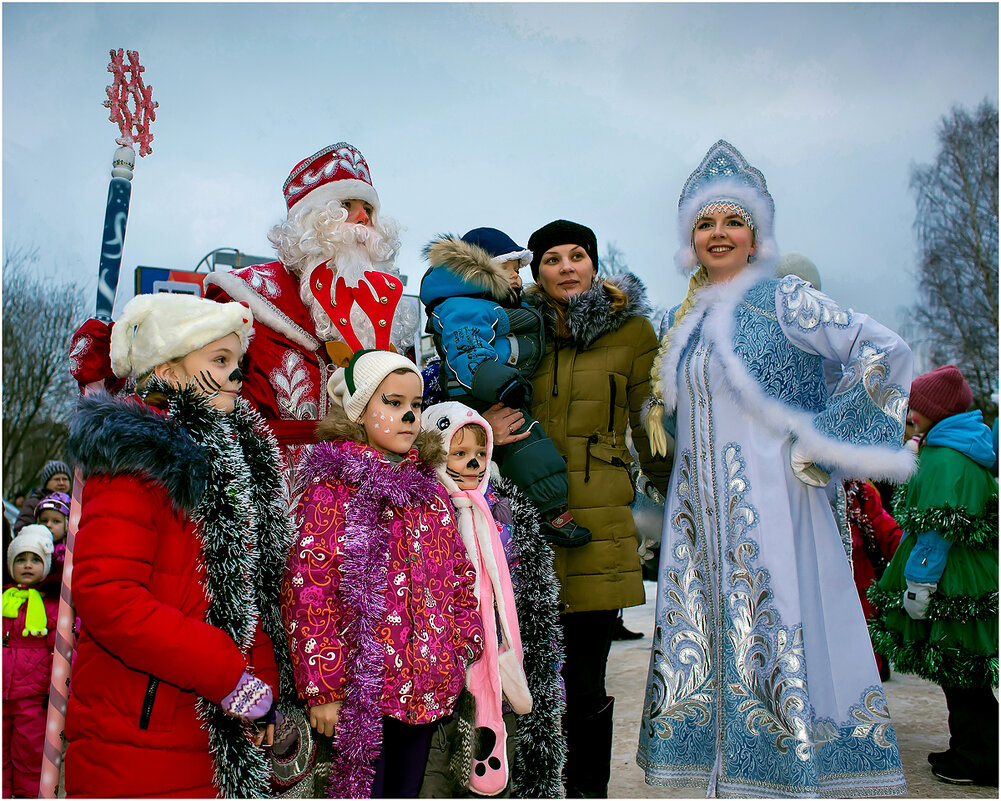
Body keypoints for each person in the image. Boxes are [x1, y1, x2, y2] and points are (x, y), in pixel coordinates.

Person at [638, 140, 912, 796]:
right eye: (704, 222)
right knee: (721, 647)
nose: (717, 233)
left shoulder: (785, 298)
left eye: (732, 220)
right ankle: (731, 778)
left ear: (756, 234)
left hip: (777, 515)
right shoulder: (696, 322)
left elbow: (885, 349)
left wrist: (825, 441)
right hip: (707, 524)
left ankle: (787, 778)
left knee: (781, 641)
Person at [70, 142, 414, 511]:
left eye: (369, 210)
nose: (363, 219)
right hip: (266, 503)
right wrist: (119, 353)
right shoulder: (244, 297)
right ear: (314, 222)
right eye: (347, 206)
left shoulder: (391, 318)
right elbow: (184, 373)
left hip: (369, 509)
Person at [62, 293, 294, 798]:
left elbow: (241, 595)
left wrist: (262, 686)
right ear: (167, 372)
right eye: (219, 361)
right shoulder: (138, 461)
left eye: (239, 363)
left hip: (206, 734)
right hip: (138, 742)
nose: (237, 377)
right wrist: (226, 673)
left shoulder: (229, 466)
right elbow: (109, 595)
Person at [495, 218, 669, 798]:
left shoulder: (633, 332)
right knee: (522, 675)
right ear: (537, 270)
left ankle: (587, 791)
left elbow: (654, 427)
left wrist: (676, 495)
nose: (566, 267)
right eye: (552, 259)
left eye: (577, 256)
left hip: (598, 523)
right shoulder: (513, 331)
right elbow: (473, 397)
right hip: (523, 521)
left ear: (593, 265)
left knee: (585, 680)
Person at [280, 350, 484, 798]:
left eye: (415, 404)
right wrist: (323, 687)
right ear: (359, 412)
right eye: (393, 403)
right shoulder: (333, 491)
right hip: (360, 692)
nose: (409, 414)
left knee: (406, 790)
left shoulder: (429, 492)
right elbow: (309, 591)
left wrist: (462, 646)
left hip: (427, 683)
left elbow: (457, 573)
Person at [419, 402, 566, 798]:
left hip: (500, 658)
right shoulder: (424, 514)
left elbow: (525, 591)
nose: (471, 464)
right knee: (440, 757)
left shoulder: (501, 512)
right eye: (459, 453)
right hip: (444, 664)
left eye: (480, 455)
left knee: (500, 745)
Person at [420, 227, 590, 546]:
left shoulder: (494, 305)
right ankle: (551, 513)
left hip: (499, 391)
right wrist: (500, 383)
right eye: (509, 268)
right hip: (481, 393)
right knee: (528, 445)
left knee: (527, 441)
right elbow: (469, 350)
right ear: (482, 272)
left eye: (517, 269)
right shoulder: (463, 307)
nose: (517, 277)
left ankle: (548, 513)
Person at [869, 364, 998, 787]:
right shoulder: (961, 448)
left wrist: (920, 585)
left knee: (961, 672)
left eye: (915, 409)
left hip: (949, 579)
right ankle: (971, 747)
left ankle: (977, 758)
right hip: (965, 573)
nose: (909, 415)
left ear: (936, 412)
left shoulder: (945, 458)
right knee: (962, 672)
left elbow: (936, 532)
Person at [3, 525, 57, 798]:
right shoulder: (4, 600)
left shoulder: (52, 607)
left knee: (29, 752)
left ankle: (26, 795)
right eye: (20, 559)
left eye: (35, 559)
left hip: (32, 697)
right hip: (2, 693)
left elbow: (61, 650)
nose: (27, 565)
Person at [845, 479, 902, 681]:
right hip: (816, 586)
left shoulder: (859, 489)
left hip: (860, 582)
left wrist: (911, 558)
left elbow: (882, 523)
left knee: (865, 658)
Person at [13, 460, 71, 534]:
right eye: (57, 479)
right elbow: (21, 529)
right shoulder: (35, 502)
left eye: (65, 479)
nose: (61, 483)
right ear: (46, 482)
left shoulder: (74, 504)